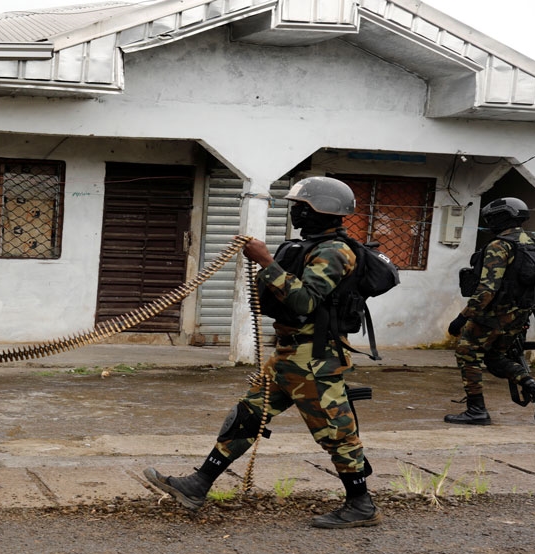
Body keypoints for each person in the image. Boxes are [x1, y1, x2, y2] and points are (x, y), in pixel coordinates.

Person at [144, 176, 381, 529]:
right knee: (246, 416)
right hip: (288, 356)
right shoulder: (311, 246)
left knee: (336, 433)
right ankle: (198, 485)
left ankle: (361, 504)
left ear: (323, 210)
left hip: (314, 359)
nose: (296, 212)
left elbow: (304, 300)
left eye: (302, 206)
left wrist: (266, 261)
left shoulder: (335, 251)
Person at [445, 197, 535, 425]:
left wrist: (462, 317)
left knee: (467, 353)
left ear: (502, 217)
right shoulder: (532, 242)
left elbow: (487, 289)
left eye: (492, 219)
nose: (490, 224)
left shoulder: (500, 245)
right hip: (518, 315)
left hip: (493, 315)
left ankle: (476, 410)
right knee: (494, 357)